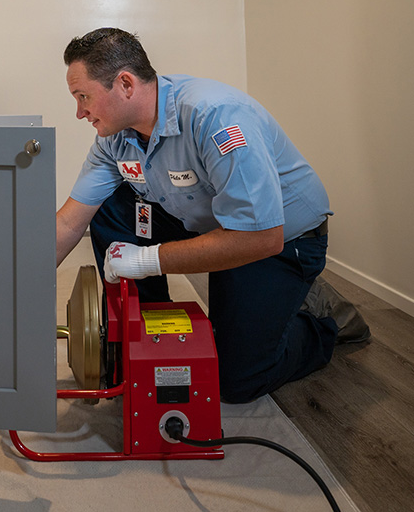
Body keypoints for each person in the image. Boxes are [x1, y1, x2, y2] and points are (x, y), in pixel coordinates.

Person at [56, 27, 369, 403]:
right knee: (111, 205)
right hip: (211, 222)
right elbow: (69, 221)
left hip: (279, 240)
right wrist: (18, 292)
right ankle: (148, 337)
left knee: (237, 379)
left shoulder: (215, 116)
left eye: (83, 97)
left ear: (124, 84)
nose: (79, 113)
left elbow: (259, 237)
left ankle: (319, 318)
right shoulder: (114, 138)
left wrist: (146, 260)